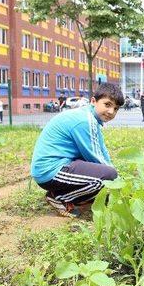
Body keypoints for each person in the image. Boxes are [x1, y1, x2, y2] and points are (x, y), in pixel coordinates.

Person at [30, 83, 123, 218]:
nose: (111, 112)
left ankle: (75, 196)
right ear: (93, 101)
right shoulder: (85, 121)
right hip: (49, 171)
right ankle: (59, 197)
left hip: (59, 166)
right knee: (105, 178)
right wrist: (117, 182)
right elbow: (95, 157)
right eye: (107, 104)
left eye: (116, 109)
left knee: (108, 175)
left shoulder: (90, 118)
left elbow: (102, 151)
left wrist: (117, 178)